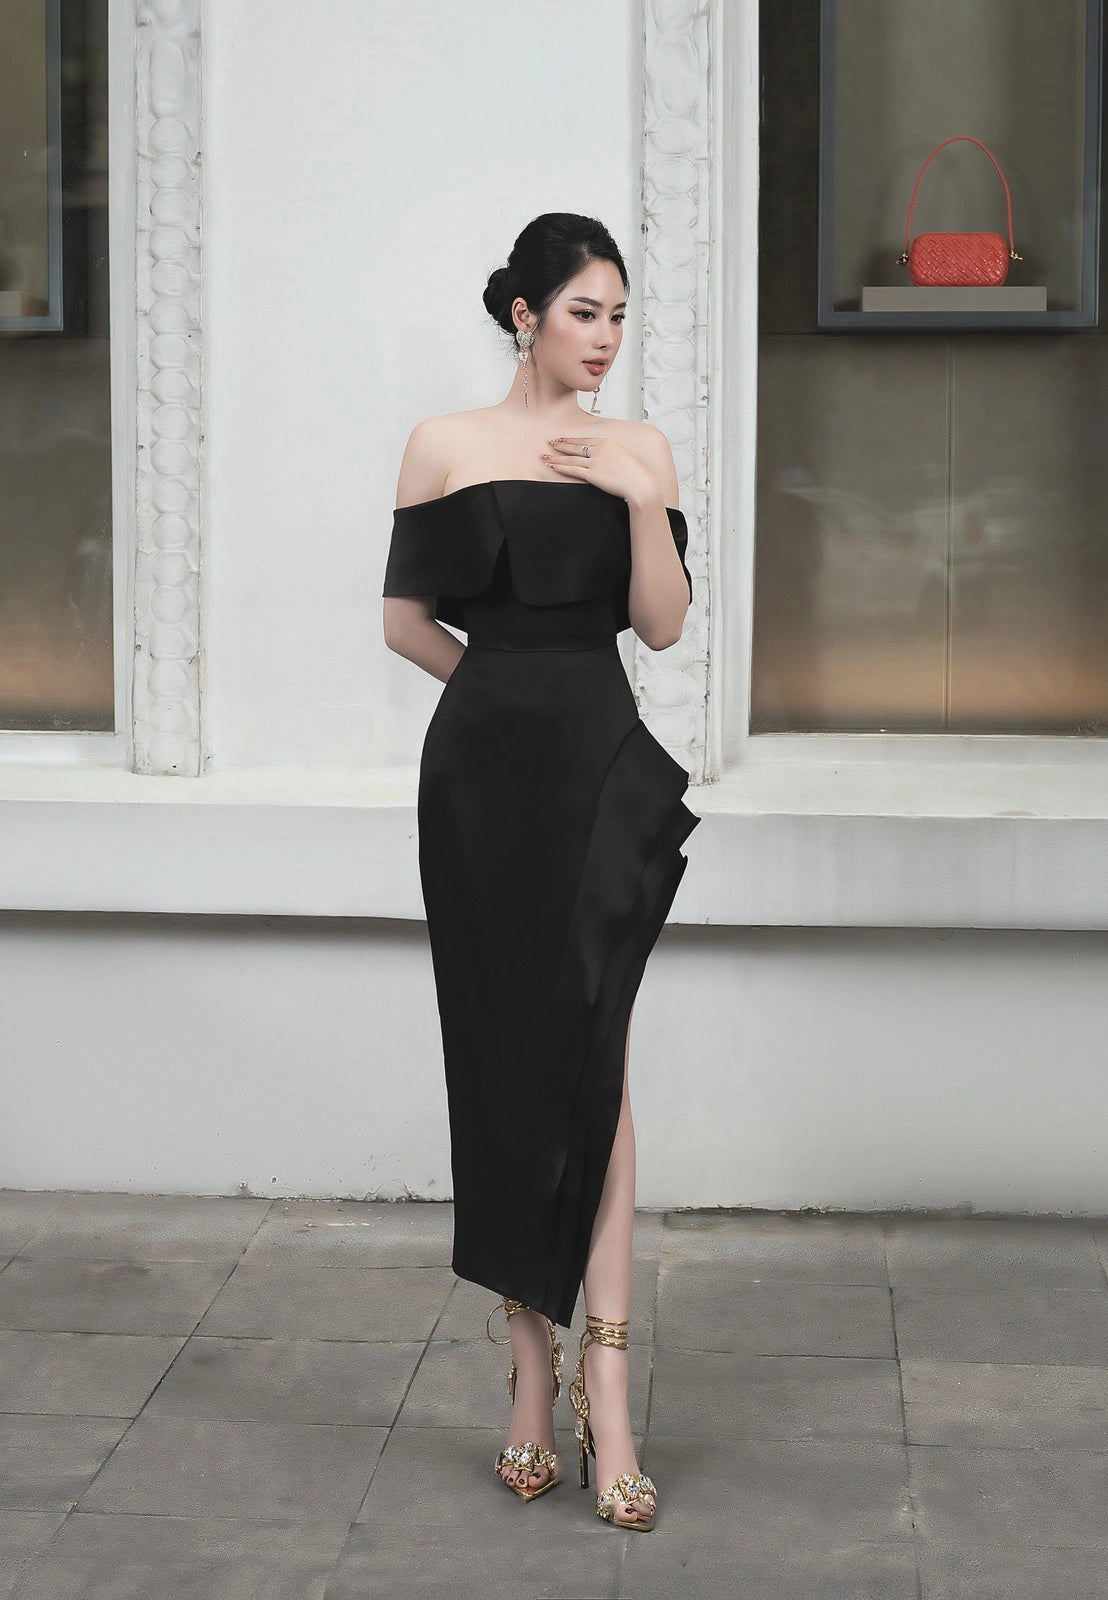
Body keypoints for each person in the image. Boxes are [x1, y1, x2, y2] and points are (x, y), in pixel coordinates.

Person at [381, 213, 699, 1532]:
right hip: (484, 791)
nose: (607, 338)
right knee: (506, 1065)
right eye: (585, 312)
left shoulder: (638, 452)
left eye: (620, 314)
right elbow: (406, 624)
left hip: (600, 777)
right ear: (524, 313)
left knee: (598, 1063)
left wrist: (636, 504)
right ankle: (528, 1375)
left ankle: (608, 1392)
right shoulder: (444, 446)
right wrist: (503, 699)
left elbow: (665, 627)